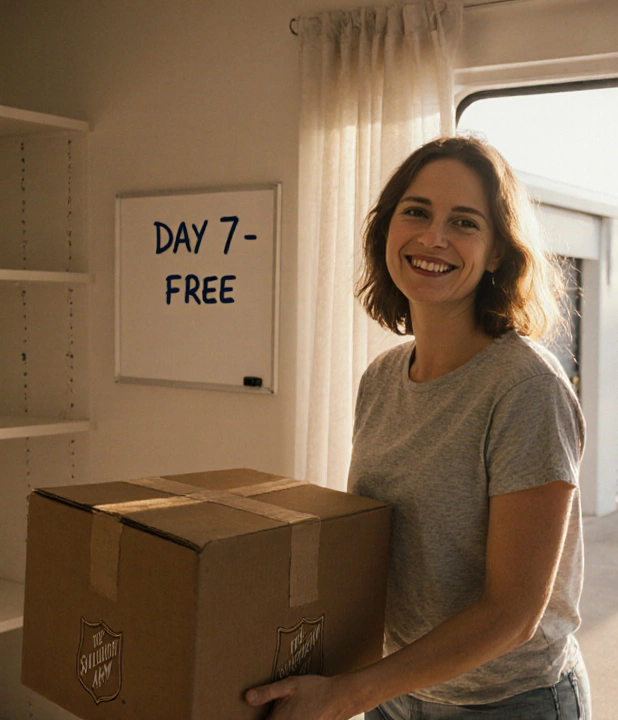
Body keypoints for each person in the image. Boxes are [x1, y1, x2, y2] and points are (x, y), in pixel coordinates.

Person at [247, 135, 589, 720]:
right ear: (386, 229)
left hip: (507, 703)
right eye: (417, 212)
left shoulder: (525, 387)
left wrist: (348, 694)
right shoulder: (381, 378)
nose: (434, 238)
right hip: (398, 693)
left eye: (464, 222)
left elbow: (513, 613)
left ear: (498, 252)